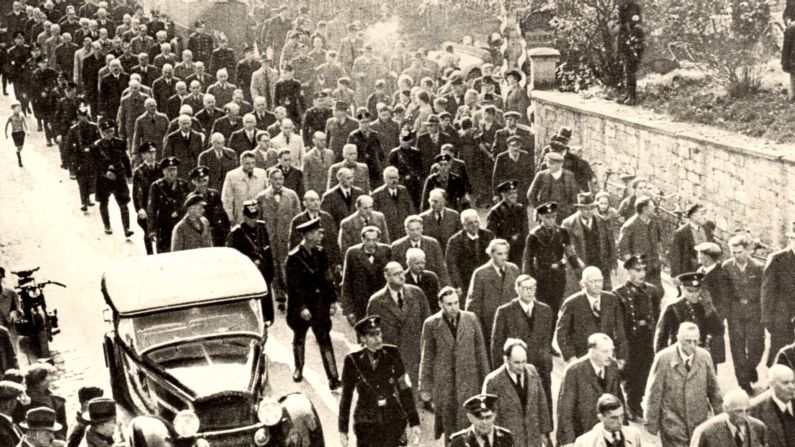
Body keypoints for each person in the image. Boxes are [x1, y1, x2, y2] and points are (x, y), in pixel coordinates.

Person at [339, 315, 421, 447]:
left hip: (392, 419)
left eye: (379, 333)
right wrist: (343, 431)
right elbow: (346, 396)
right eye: (372, 335)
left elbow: (404, 389)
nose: (378, 339)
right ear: (363, 338)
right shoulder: (352, 361)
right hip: (366, 422)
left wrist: (414, 422)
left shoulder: (393, 353)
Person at [645, 322, 723, 447]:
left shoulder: (704, 357)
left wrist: (721, 418)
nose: (692, 346)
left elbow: (714, 391)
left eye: (696, 341)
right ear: (678, 339)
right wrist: (651, 423)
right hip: (672, 423)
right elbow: (654, 392)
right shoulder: (663, 358)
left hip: (698, 422)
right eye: (688, 341)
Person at [285, 218, 342, 389]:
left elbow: (327, 278)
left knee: (324, 339)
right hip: (302, 305)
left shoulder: (320, 252)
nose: (320, 235)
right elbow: (293, 286)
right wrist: (302, 307)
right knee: (300, 337)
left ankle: (333, 378)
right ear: (308, 235)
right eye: (317, 233)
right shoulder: (294, 257)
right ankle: (298, 368)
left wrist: (332, 300)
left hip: (319, 304)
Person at [490, 275, 554, 413]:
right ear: (517, 289)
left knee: (542, 403)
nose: (530, 292)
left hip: (540, 367)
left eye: (532, 288)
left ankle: (546, 433)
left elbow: (547, 340)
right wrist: (500, 370)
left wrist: (547, 362)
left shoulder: (545, 310)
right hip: (516, 367)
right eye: (526, 288)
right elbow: (497, 345)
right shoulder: (505, 311)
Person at [367, 262, 431, 394]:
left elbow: (427, 322)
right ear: (387, 277)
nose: (402, 276)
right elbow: (371, 333)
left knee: (417, 393)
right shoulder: (376, 302)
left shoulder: (416, 293)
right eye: (396, 274)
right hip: (392, 355)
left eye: (402, 272)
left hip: (416, 352)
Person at [612, 254, 662, 420]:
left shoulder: (652, 291)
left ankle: (636, 402)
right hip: (629, 340)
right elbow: (617, 323)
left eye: (643, 270)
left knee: (645, 371)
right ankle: (630, 404)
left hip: (647, 338)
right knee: (630, 373)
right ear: (628, 271)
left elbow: (656, 315)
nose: (642, 274)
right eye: (637, 270)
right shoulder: (618, 294)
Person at [556, 333, 623, 446]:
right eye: (604, 351)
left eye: (611, 351)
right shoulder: (574, 371)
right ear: (592, 351)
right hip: (582, 435)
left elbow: (619, 400)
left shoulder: (612, 367)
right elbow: (565, 411)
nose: (609, 355)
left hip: (607, 434)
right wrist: (569, 442)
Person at [482, 339, 551, 447]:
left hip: (533, 440)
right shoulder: (493, 381)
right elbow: (489, 417)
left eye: (524, 361)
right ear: (506, 360)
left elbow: (542, 404)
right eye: (517, 362)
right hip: (509, 442)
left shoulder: (532, 371)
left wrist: (544, 433)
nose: (521, 366)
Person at [720, 234, 765, 393]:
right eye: (733, 252)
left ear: (747, 251)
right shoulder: (727, 267)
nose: (736, 255)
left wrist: (764, 314)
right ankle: (743, 382)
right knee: (737, 347)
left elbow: (764, 292)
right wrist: (724, 315)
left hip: (754, 311)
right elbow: (724, 293)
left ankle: (750, 367)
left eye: (739, 252)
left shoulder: (759, 268)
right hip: (735, 312)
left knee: (757, 347)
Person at [556, 267, 627, 363]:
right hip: (582, 358)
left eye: (600, 281)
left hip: (607, 357)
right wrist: (571, 358)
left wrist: (621, 357)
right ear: (583, 283)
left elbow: (620, 330)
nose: (597, 285)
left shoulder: (611, 300)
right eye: (592, 281)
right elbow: (562, 334)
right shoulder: (572, 303)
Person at [522, 202, 578, 318]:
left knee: (557, 305)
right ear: (541, 217)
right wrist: (528, 279)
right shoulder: (534, 235)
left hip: (558, 275)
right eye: (547, 217)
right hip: (542, 275)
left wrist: (578, 269)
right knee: (543, 307)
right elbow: (527, 259)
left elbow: (570, 252)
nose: (551, 220)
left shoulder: (562, 232)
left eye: (553, 217)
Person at [655, 272, 725, 365]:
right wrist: (663, 362)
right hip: (679, 357)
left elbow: (719, 329)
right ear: (682, 289)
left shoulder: (704, 306)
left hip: (701, 356)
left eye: (697, 291)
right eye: (690, 291)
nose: (694, 295)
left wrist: (709, 308)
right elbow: (660, 338)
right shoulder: (673, 308)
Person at [257, 167, 301, 312]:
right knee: (274, 266)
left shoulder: (292, 195)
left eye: (281, 179)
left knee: (288, 267)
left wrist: (297, 237)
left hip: (287, 239)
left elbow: (298, 218)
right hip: (271, 239)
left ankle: (293, 295)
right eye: (275, 179)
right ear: (269, 180)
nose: (278, 182)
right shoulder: (262, 197)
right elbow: (259, 222)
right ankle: (280, 297)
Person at [466, 239, 519, 355]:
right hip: (489, 323)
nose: (503, 257)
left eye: (506, 253)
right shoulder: (481, 273)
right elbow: (474, 304)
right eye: (499, 254)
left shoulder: (513, 269)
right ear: (491, 254)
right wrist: (476, 328)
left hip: (511, 322)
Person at [561, 192, 616, 294]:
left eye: (591, 208)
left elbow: (610, 243)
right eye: (585, 209)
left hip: (601, 264)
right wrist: (577, 262)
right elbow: (568, 247)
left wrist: (613, 263)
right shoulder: (568, 224)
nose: (589, 212)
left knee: (605, 295)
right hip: (580, 266)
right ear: (579, 209)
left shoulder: (602, 221)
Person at [341, 226, 392, 324]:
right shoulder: (353, 253)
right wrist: (349, 310)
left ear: (378, 239)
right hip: (361, 304)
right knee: (364, 335)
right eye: (368, 240)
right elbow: (347, 282)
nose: (371, 243)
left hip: (382, 303)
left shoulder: (386, 251)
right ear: (362, 239)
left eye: (374, 240)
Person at [91, 119, 133, 237]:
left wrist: (129, 174)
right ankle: (107, 225)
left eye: (112, 131)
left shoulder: (120, 143)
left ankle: (127, 228)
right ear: (102, 133)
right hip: (104, 180)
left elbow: (125, 159)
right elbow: (95, 165)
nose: (110, 134)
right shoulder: (97, 146)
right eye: (107, 132)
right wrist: (105, 173)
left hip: (119, 177)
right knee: (104, 202)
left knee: (123, 203)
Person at [762, 222, 795, 366]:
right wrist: (768, 320)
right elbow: (767, 291)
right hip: (782, 318)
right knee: (779, 358)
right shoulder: (777, 258)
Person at [690, 389, 767, 447]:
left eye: (747, 411)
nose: (744, 416)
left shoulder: (759, 427)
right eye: (738, 411)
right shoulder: (705, 432)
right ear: (725, 408)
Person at [146, 156, 191, 253]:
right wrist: (151, 229)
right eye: (169, 170)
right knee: (164, 252)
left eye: (174, 169)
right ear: (163, 171)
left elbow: (189, 204)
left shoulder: (183, 185)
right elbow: (151, 208)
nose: (172, 172)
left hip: (181, 223)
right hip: (164, 225)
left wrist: (179, 212)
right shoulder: (156, 186)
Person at [617, 196, 664, 288]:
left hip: (654, 266)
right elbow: (623, 249)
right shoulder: (630, 226)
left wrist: (660, 258)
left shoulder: (654, 223)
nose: (655, 208)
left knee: (658, 292)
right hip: (640, 268)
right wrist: (634, 267)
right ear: (645, 209)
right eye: (652, 206)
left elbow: (659, 241)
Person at [445, 208, 494, 295]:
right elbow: (452, 265)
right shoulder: (455, 241)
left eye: (476, 222)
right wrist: (457, 285)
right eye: (470, 223)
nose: (474, 225)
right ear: (464, 225)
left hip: (487, 279)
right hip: (466, 282)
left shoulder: (488, 236)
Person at [390, 215, 449, 286]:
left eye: (418, 229)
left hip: (430, 285)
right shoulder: (397, 247)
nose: (416, 233)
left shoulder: (433, 244)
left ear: (422, 229)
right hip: (408, 285)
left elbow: (441, 268)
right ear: (406, 230)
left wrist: (445, 286)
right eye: (412, 230)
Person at [64, 104, 100, 212]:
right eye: (81, 115)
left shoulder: (94, 127)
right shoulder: (73, 130)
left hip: (91, 158)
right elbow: (68, 146)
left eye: (85, 115)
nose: (83, 117)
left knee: (91, 180)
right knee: (81, 181)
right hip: (79, 159)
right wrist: (66, 161)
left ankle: (88, 197)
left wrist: (93, 147)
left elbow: (99, 141)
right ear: (78, 116)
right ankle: (83, 202)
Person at [15, 364, 66, 439]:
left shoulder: (57, 400)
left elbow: (63, 428)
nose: (51, 378)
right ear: (40, 382)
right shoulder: (22, 401)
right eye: (48, 376)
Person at [750, 364, 795, 447]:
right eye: (785, 383)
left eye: (793, 382)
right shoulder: (755, 409)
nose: (792, 387)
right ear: (771, 384)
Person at [573, 393, 642, 447]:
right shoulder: (584, 442)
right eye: (614, 417)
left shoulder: (634, 435)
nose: (620, 421)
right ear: (601, 418)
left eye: (622, 416)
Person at [526, 152, 578, 222]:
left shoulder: (569, 175)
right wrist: (540, 208)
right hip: (546, 213)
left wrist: (570, 209)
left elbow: (575, 195)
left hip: (565, 214)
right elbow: (530, 195)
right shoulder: (541, 175)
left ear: (560, 164)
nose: (548, 166)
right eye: (547, 163)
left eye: (551, 163)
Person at [486, 180, 528, 266]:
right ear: (503, 194)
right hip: (504, 251)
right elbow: (491, 234)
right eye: (510, 193)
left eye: (515, 193)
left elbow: (525, 230)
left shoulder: (520, 209)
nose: (513, 196)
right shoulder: (495, 212)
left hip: (519, 249)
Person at [221, 151, 268, 225]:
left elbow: (267, 195)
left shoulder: (262, 173)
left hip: (258, 217)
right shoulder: (231, 176)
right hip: (240, 217)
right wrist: (230, 217)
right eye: (248, 163)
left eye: (253, 163)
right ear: (241, 163)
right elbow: (227, 199)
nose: (251, 166)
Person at [449, 393, 513, 447]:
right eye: (479, 418)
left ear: (494, 415)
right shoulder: (459, 442)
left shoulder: (505, 437)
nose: (484, 422)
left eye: (488, 417)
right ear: (470, 418)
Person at [670, 204, 716, 279]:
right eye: (702, 214)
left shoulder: (707, 229)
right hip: (690, 271)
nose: (705, 217)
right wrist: (675, 275)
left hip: (708, 272)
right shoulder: (681, 233)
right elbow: (676, 256)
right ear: (693, 216)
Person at [131, 142, 161, 254]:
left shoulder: (160, 168)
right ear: (143, 155)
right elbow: (136, 193)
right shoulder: (139, 172)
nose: (152, 155)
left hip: (159, 206)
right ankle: (150, 255)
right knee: (148, 233)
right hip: (146, 208)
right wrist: (140, 209)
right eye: (149, 153)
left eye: (154, 152)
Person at [373, 166, 416, 244]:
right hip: (388, 232)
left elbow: (411, 210)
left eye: (396, 178)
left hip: (403, 231)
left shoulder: (403, 191)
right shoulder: (377, 194)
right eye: (391, 178)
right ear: (384, 179)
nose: (394, 181)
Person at [616, 0, 644, 105]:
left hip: (632, 43)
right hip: (625, 42)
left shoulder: (633, 7)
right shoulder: (624, 7)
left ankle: (632, 97)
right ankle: (628, 95)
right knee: (626, 70)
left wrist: (631, 40)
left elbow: (636, 26)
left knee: (630, 70)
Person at [405, 248, 441, 314]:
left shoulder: (432, 277)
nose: (421, 266)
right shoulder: (403, 279)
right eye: (417, 263)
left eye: (423, 263)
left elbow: (437, 301)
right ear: (408, 263)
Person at [0, 381, 24, 446]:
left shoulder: (9, 422)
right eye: (18, 400)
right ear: (9, 404)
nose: (22, 404)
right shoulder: (2, 427)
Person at [4, 103, 28, 167]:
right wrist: (6, 134)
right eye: (17, 108)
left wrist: (27, 130)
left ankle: (18, 152)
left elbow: (25, 124)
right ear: (13, 109)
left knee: (21, 146)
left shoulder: (22, 116)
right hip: (15, 133)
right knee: (18, 146)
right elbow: (6, 125)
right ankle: (19, 160)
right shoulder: (11, 117)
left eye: (19, 108)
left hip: (22, 132)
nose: (19, 109)